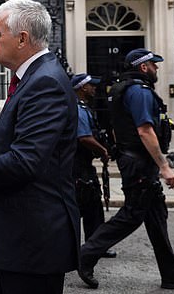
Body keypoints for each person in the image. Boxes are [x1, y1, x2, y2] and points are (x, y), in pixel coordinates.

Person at [0, 0, 80, 294]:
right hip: (13, 242)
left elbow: (26, 160)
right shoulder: (34, 77)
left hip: (31, 244)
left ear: (22, 39)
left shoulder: (46, 83)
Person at [78, 48, 174, 290]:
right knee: (132, 214)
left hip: (132, 160)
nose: (156, 69)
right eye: (154, 65)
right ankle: (85, 254)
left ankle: (172, 274)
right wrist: (164, 166)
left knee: (156, 218)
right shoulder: (139, 91)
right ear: (143, 67)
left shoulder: (120, 90)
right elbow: (145, 130)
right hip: (140, 164)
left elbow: (115, 128)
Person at [71, 73, 116, 258]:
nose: (95, 88)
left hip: (83, 165)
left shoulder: (82, 108)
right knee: (86, 206)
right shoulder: (79, 110)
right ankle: (90, 247)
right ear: (82, 88)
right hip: (78, 166)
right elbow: (84, 137)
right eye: (92, 85)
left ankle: (94, 245)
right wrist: (103, 151)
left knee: (93, 208)